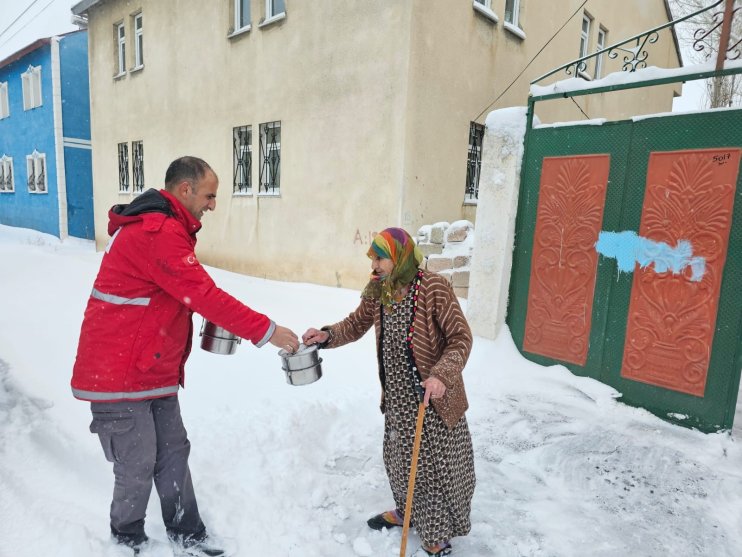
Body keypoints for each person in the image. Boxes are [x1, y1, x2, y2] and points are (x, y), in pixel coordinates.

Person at [71, 156, 299, 557]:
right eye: (210, 196)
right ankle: (127, 538)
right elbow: (204, 295)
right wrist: (268, 331)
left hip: (150, 366)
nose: (213, 205)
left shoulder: (168, 229)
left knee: (174, 449)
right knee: (138, 459)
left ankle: (187, 532)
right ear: (185, 190)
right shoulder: (157, 232)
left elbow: (181, 295)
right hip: (118, 372)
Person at [302, 227, 475, 556]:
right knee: (398, 460)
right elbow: (355, 324)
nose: (375, 265)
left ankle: (436, 534)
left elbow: (461, 338)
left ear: (399, 256)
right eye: (373, 258)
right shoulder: (380, 289)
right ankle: (406, 512)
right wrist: (327, 336)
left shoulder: (434, 287)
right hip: (397, 396)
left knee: (431, 469)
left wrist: (441, 375)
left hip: (432, 397)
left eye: (380, 258)